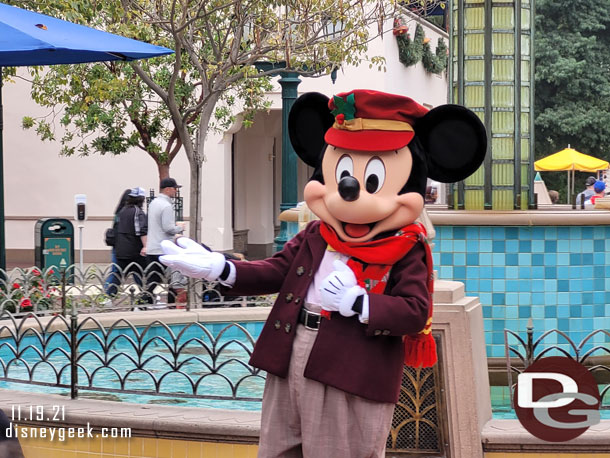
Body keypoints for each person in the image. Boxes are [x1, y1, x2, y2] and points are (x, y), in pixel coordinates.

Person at [160, 90, 486, 457]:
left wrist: (359, 302)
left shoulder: (405, 246)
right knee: (279, 449)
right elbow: (276, 271)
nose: (349, 190)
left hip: (350, 367)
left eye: (372, 177)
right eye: (343, 173)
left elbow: (414, 311)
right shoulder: (318, 233)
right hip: (291, 351)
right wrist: (221, 268)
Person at [145, 177, 185, 304]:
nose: (176, 191)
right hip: (164, 248)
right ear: (167, 189)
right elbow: (168, 228)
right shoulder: (166, 206)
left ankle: (143, 302)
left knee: (153, 279)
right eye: (175, 189)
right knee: (173, 278)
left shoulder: (153, 203)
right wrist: (180, 227)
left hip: (153, 247)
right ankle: (172, 303)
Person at [114, 187, 148, 293]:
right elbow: (141, 231)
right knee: (143, 274)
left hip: (121, 250)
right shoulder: (138, 212)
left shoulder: (122, 211)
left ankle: (108, 297)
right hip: (134, 250)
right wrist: (145, 246)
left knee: (117, 276)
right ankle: (146, 296)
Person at [104, 188, 131, 296]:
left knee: (116, 271)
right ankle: (108, 292)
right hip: (121, 247)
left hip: (117, 247)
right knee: (116, 271)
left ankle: (108, 292)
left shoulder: (118, 213)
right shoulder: (124, 214)